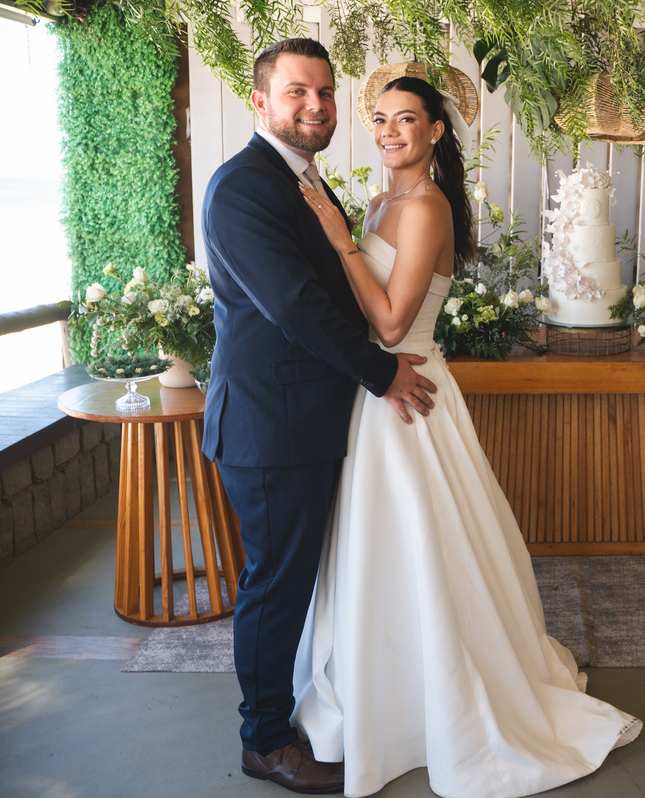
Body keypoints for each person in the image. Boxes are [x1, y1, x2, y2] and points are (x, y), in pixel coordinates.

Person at [290, 75, 642, 798]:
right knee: (379, 551)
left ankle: (444, 700)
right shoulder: (382, 200)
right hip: (375, 392)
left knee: (426, 546)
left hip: (410, 393)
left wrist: (338, 240)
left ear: (436, 133)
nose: (389, 132)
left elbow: (390, 325)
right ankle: (385, 688)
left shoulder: (425, 207)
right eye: (381, 119)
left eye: (407, 120)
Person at [200, 38, 438, 795]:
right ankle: (265, 741)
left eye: (326, 93)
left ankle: (302, 713)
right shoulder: (244, 186)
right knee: (274, 586)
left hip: (311, 420)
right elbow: (294, 304)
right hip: (272, 424)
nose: (315, 106)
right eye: (298, 92)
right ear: (260, 101)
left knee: (305, 580)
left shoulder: (303, 179)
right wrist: (382, 373)